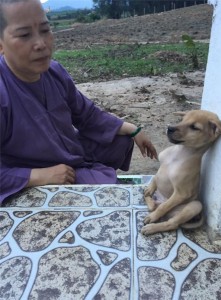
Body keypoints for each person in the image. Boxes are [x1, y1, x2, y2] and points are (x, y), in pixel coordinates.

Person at [0, 0, 157, 204]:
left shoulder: (54, 71)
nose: (41, 44)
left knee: (120, 139)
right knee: (107, 198)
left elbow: (87, 114)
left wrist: (134, 129)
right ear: (1, 44)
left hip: (70, 152)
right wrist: (38, 176)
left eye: (45, 30)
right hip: (25, 169)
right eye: (24, 35)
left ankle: (86, 172)